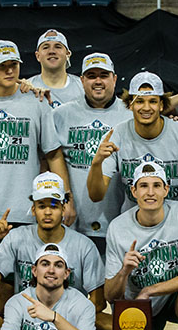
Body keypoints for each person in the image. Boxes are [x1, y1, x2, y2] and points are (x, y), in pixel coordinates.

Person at [0, 39, 74, 245]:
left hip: (23, 211)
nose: (9, 71)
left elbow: (53, 154)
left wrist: (66, 199)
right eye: (2, 66)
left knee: (18, 276)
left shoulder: (36, 101)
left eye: (13, 65)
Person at [0, 172, 105, 317]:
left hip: (68, 320)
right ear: (33, 209)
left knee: (106, 324)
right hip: (25, 319)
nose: (47, 212)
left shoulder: (84, 246)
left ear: (63, 209)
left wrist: (62, 321)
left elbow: (99, 301)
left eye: (54, 206)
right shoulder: (16, 238)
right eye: (41, 206)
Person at [104, 162, 178, 330]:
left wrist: (150, 290)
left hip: (171, 296)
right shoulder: (118, 228)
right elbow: (110, 296)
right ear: (134, 191)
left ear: (166, 190)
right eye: (144, 186)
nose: (150, 192)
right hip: (138, 304)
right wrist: (124, 272)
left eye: (157, 185)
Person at [87, 72, 178, 212]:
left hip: (175, 223)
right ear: (130, 105)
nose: (146, 108)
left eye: (153, 101)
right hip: (132, 223)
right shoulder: (116, 136)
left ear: (161, 105)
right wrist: (96, 163)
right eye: (140, 101)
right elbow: (96, 196)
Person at [52, 52, 130, 247]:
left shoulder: (131, 114)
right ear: (81, 80)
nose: (98, 81)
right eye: (91, 76)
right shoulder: (61, 115)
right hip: (72, 221)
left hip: (121, 221)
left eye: (103, 75)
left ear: (114, 78)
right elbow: (49, 160)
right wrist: (63, 199)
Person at [28, 29, 84, 108]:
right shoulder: (28, 88)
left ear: (67, 54)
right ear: (38, 56)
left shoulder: (83, 87)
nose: (51, 51)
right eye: (45, 47)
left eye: (58, 47)